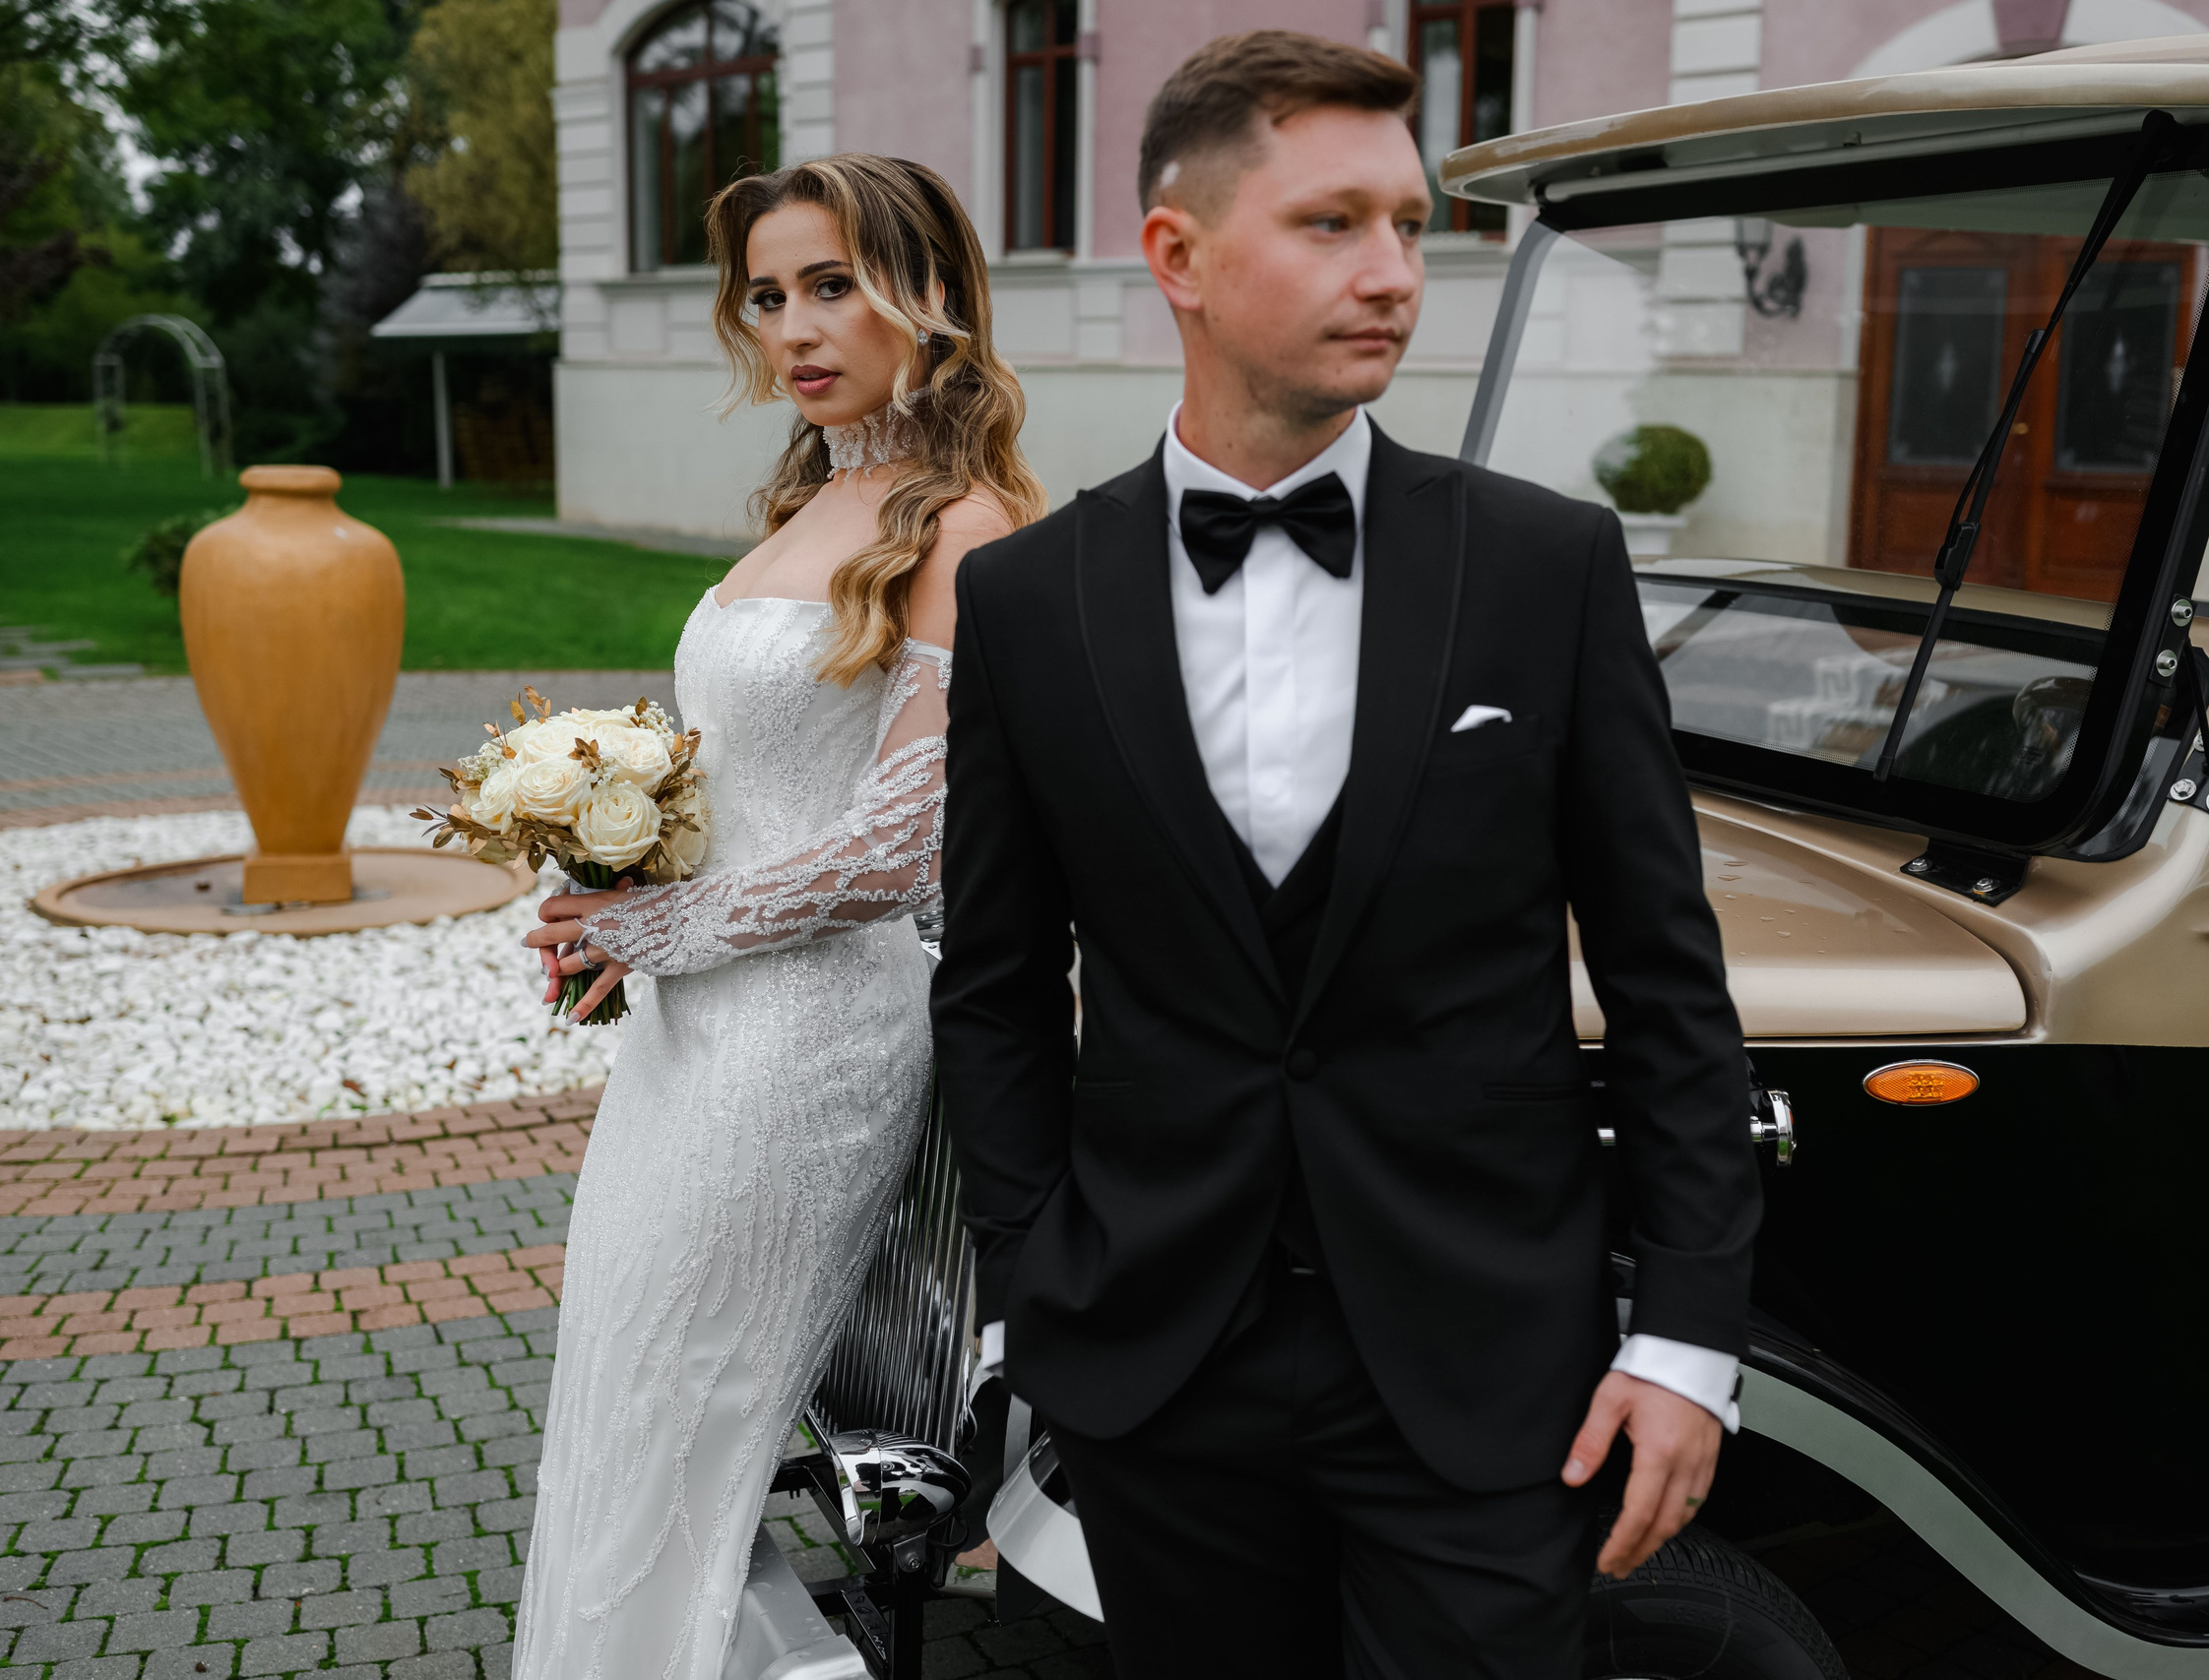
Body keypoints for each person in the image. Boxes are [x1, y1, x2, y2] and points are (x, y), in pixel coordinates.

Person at [932, 31, 1759, 1678]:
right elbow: (996, 985)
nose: (1395, 274)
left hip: (1481, 1364)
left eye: (1410, 224)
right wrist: (1041, 1292)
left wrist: (1684, 1343)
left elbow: (1672, 988)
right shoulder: (1030, 602)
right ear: (1177, 253)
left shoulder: (1547, 568)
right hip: (1162, 1365)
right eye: (1333, 224)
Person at [508, 154, 1042, 1680]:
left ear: (926, 299)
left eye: (832, 286)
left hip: (805, 1048)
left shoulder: (966, 524)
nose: (797, 329)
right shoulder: (819, 494)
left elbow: (900, 840)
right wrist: (619, 869)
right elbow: (759, 779)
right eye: (767, 295)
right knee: (621, 1399)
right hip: (695, 1036)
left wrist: (656, 931)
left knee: (685, 1419)